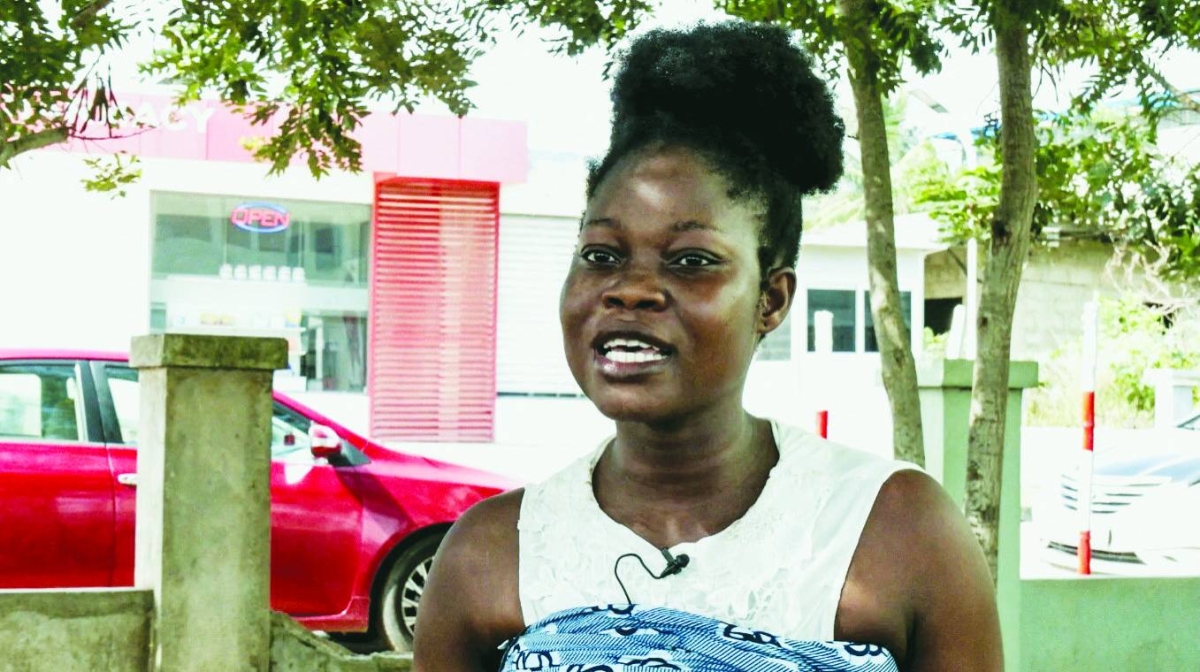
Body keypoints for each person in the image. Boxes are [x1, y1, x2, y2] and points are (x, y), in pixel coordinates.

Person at [414, 21, 1002, 672]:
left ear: (771, 300)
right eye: (601, 254)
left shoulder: (898, 532)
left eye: (691, 260)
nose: (631, 290)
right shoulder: (489, 557)